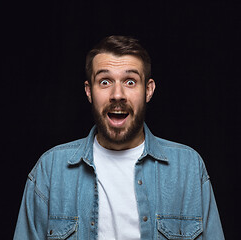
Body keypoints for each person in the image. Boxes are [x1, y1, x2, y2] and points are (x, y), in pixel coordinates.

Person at [14, 35, 225, 240]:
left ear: (148, 90)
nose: (117, 94)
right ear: (89, 91)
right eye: (105, 82)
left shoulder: (188, 167)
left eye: (130, 82)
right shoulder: (50, 170)